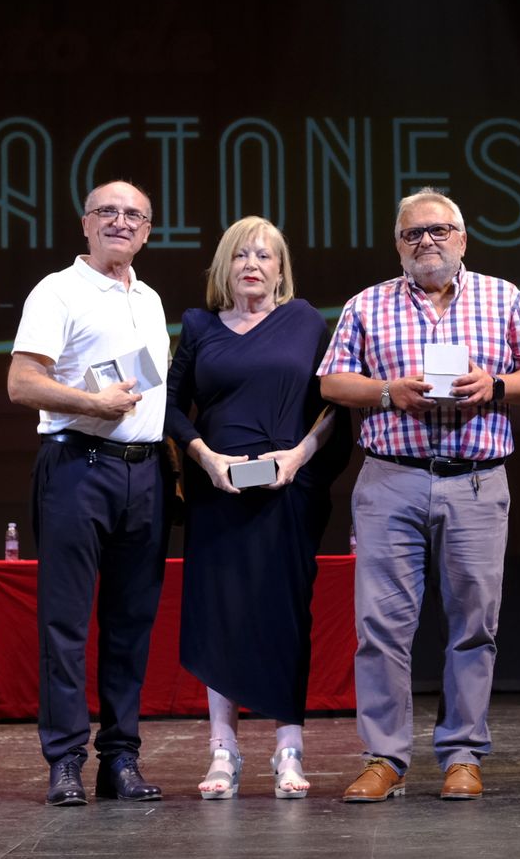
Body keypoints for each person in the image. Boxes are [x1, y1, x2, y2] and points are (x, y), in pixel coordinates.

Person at [318, 187, 520, 802]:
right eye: (413, 233)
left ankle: (462, 754)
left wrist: (495, 383)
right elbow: (332, 381)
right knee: (381, 627)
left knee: (475, 623)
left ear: (463, 237)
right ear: (398, 245)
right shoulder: (366, 306)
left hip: (476, 479)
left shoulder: (504, 298)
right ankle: (384, 759)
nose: (427, 241)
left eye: (439, 230)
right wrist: (385, 391)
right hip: (390, 478)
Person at [164, 216, 347, 799]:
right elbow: (168, 405)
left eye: (265, 257)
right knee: (221, 615)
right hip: (218, 495)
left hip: (286, 494)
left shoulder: (304, 321)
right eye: (241, 255)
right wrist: (205, 457)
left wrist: (298, 455)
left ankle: (288, 748)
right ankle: (224, 751)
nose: (253, 265)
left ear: (280, 269)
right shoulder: (197, 326)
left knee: (283, 617)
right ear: (225, 266)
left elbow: (336, 404)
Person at [8, 180, 172, 807]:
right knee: (65, 623)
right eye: (109, 211)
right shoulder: (58, 290)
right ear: (85, 223)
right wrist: (92, 402)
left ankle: (121, 760)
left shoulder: (152, 299)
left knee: (131, 625)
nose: (122, 222)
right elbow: (22, 383)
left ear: (148, 230)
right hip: (79, 466)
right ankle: (66, 760)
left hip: (144, 472)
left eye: (135, 215)